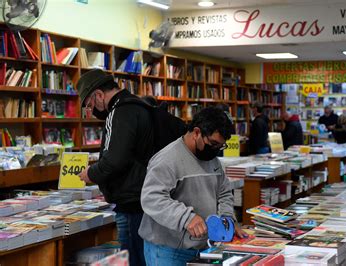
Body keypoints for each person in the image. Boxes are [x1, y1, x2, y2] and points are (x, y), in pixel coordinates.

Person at [139, 107, 247, 265]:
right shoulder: (167, 159)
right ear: (196, 132)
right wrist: (186, 218)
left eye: (220, 146)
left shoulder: (212, 161)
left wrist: (227, 220)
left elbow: (224, 192)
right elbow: (151, 198)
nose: (216, 150)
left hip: (203, 247)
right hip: (168, 250)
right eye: (213, 143)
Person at [77, 69, 153, 266]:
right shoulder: (138, 106)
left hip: (132, 200)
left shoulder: (119, 111)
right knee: (139, 255)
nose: (91, 110)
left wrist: (90, 174)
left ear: (99, 95)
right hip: (143, 195)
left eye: (90, 104)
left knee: (134, 258)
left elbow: (114, 159)